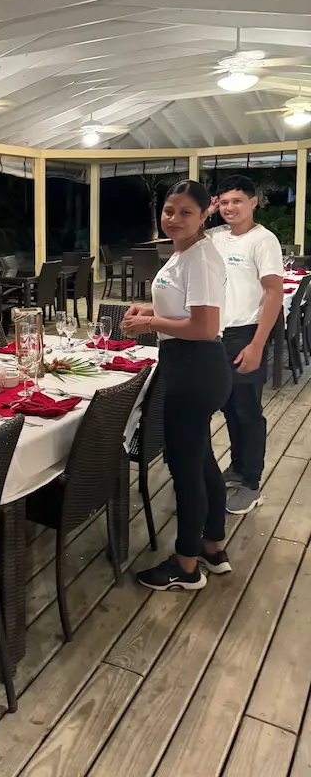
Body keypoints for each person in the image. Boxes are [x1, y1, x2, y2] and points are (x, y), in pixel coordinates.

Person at [122, 180, 232, 591]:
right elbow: (184, 309)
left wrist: (150, 323)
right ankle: (212, 546)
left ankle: (186, 567)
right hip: (191, 366)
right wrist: (152, 310)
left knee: (186, 471)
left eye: (185, 212)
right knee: (201, 461)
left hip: (194, 369)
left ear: (206, 213)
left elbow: (205, 326)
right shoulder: (186, 254)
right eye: (169, 210)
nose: (173, 219)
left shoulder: (200, 258)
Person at [207, 175, 283, 514]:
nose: (229, 208)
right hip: (217, 336)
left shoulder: (263, 240)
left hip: (245, 334)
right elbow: (178, 236)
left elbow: (274, 293)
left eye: (236, 201)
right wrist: (205, 211)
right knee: (229, 407)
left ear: (254, 201)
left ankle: (251, 483)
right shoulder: (216, 236)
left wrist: (256, 344)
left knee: (248, 411)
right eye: (223, 202)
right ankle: (237, 467)